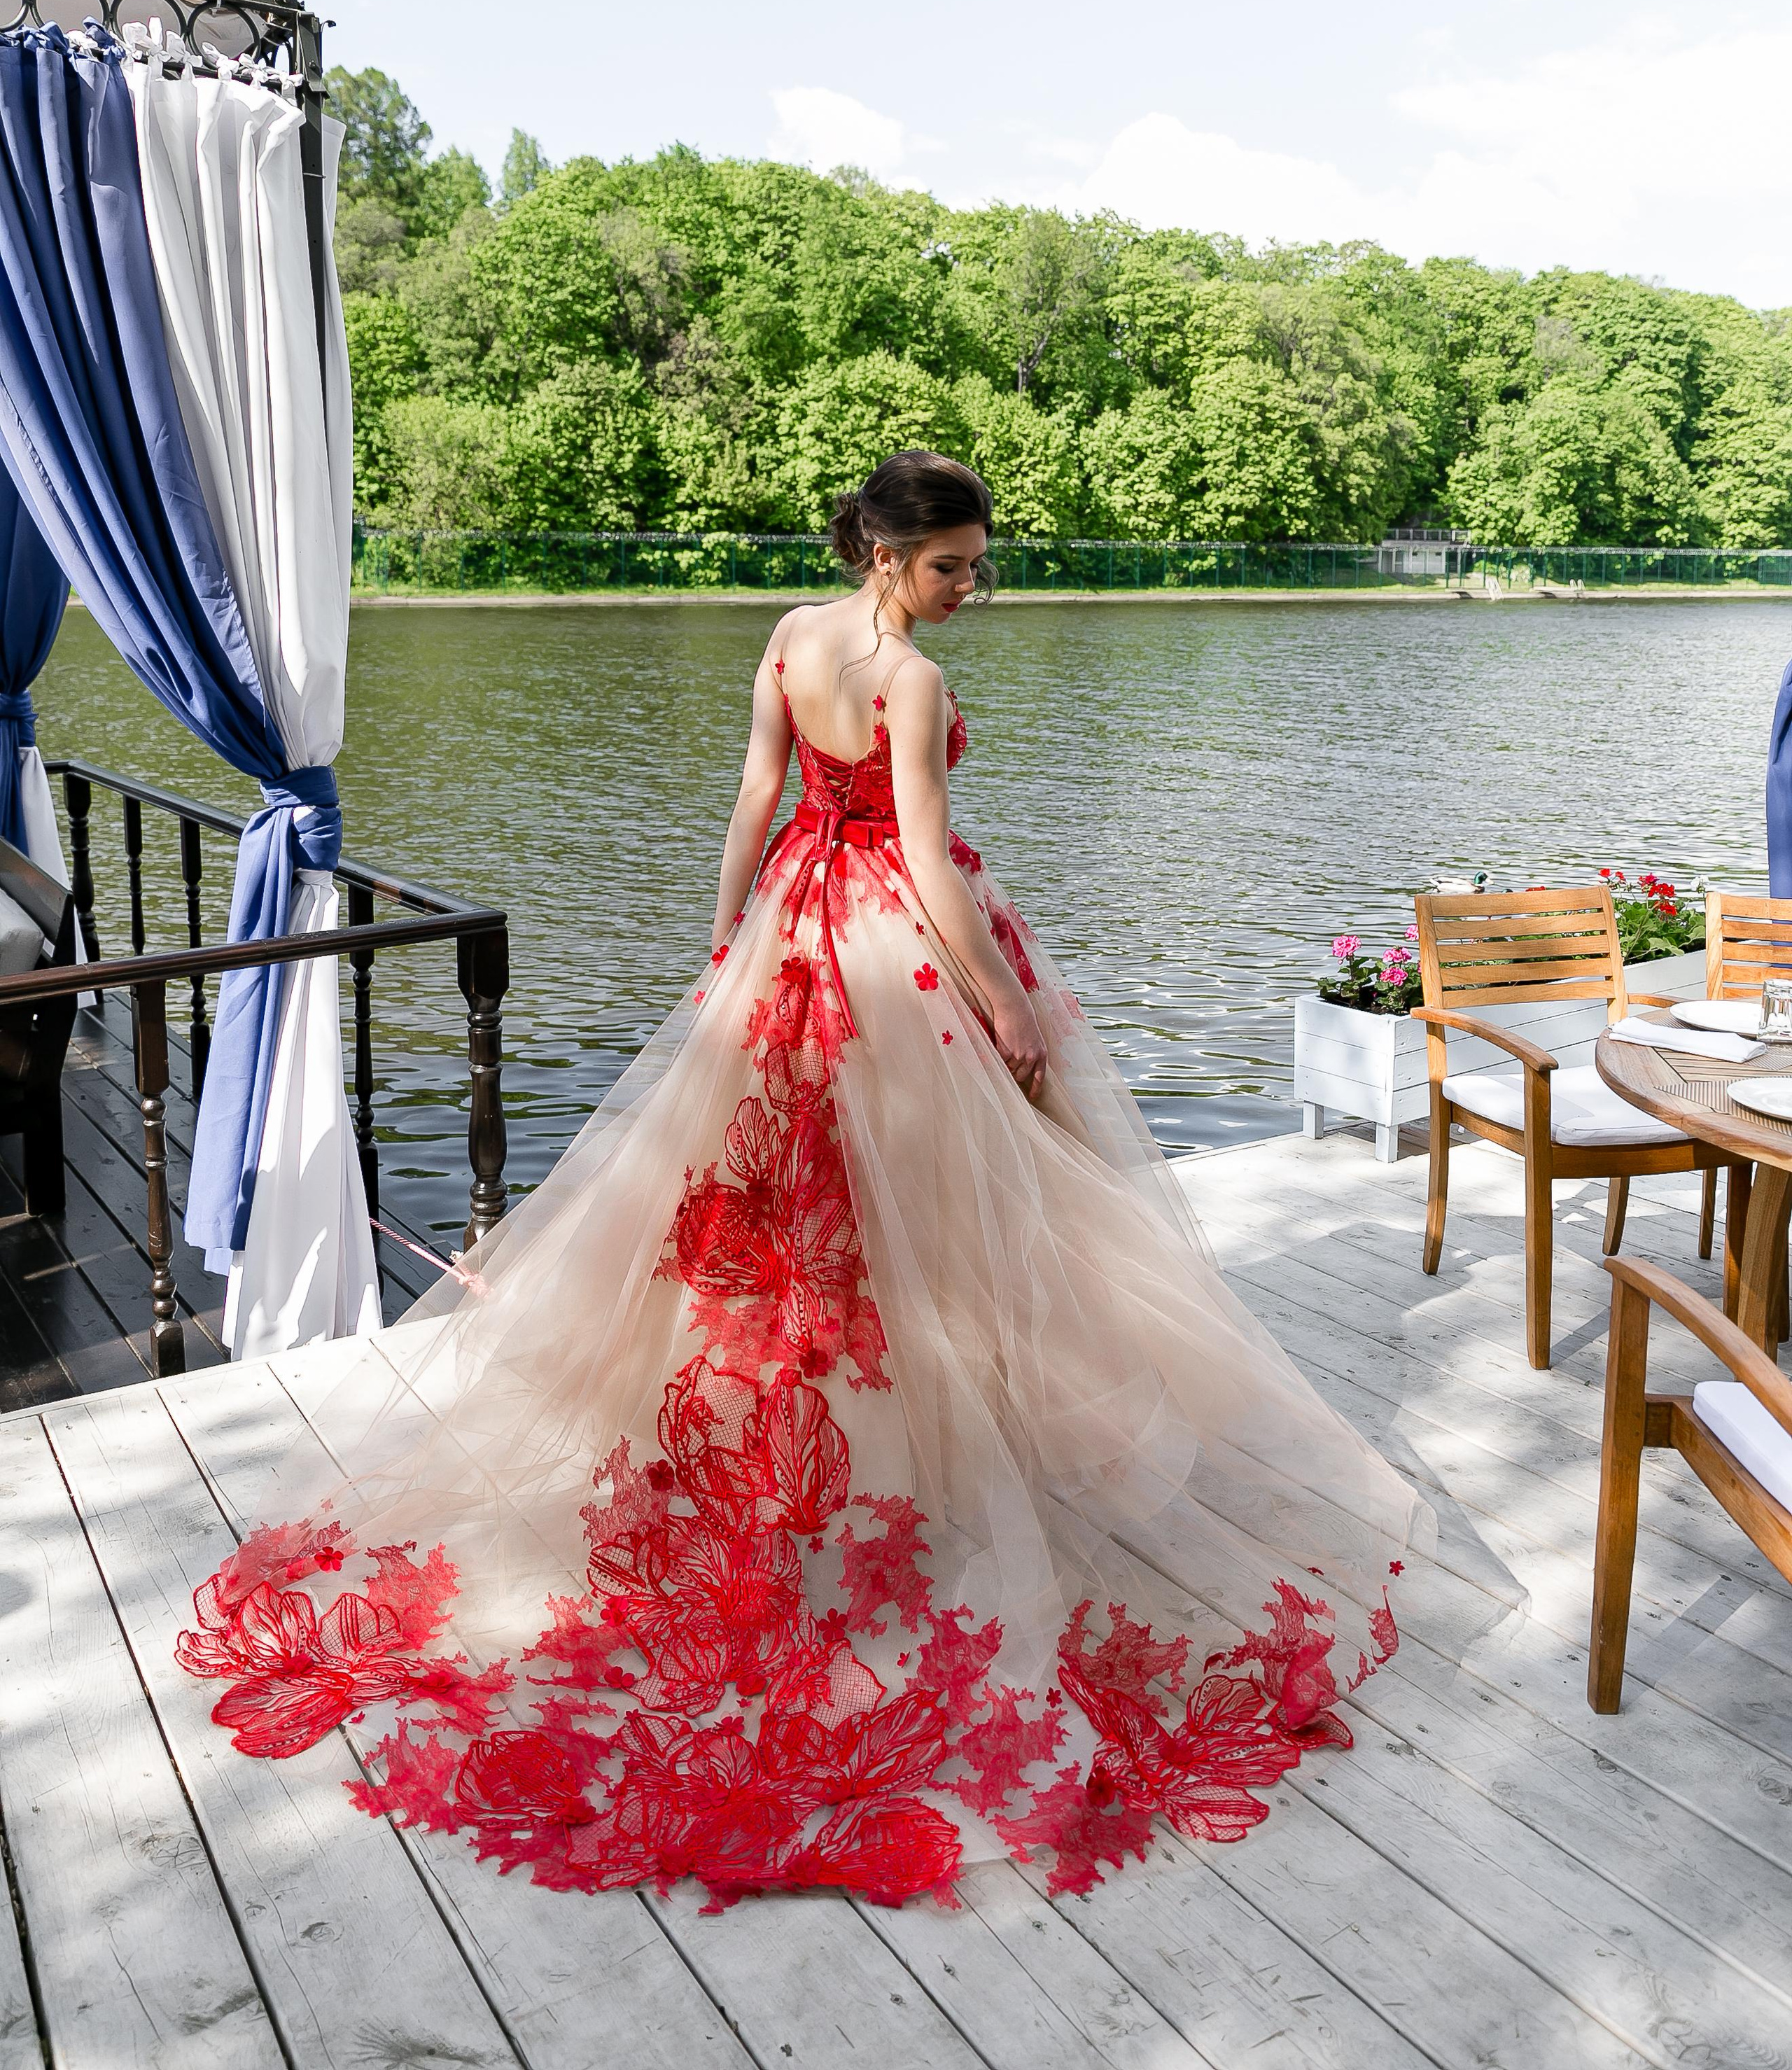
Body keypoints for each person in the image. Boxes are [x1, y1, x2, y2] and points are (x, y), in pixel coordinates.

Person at [175, 449, 1428, 1910]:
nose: (974, 586)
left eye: (977, 561)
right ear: (886, 559)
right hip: (896, 948)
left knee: (786, 1226)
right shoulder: (894, 675)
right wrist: (1006, 1010)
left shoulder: (786, 633)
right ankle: (918, 1474)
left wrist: (727, 947)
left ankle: (843, 1470)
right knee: (916, 1219)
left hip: (793, 930)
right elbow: (931, 867)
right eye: (952, 564)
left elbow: (758, 800)